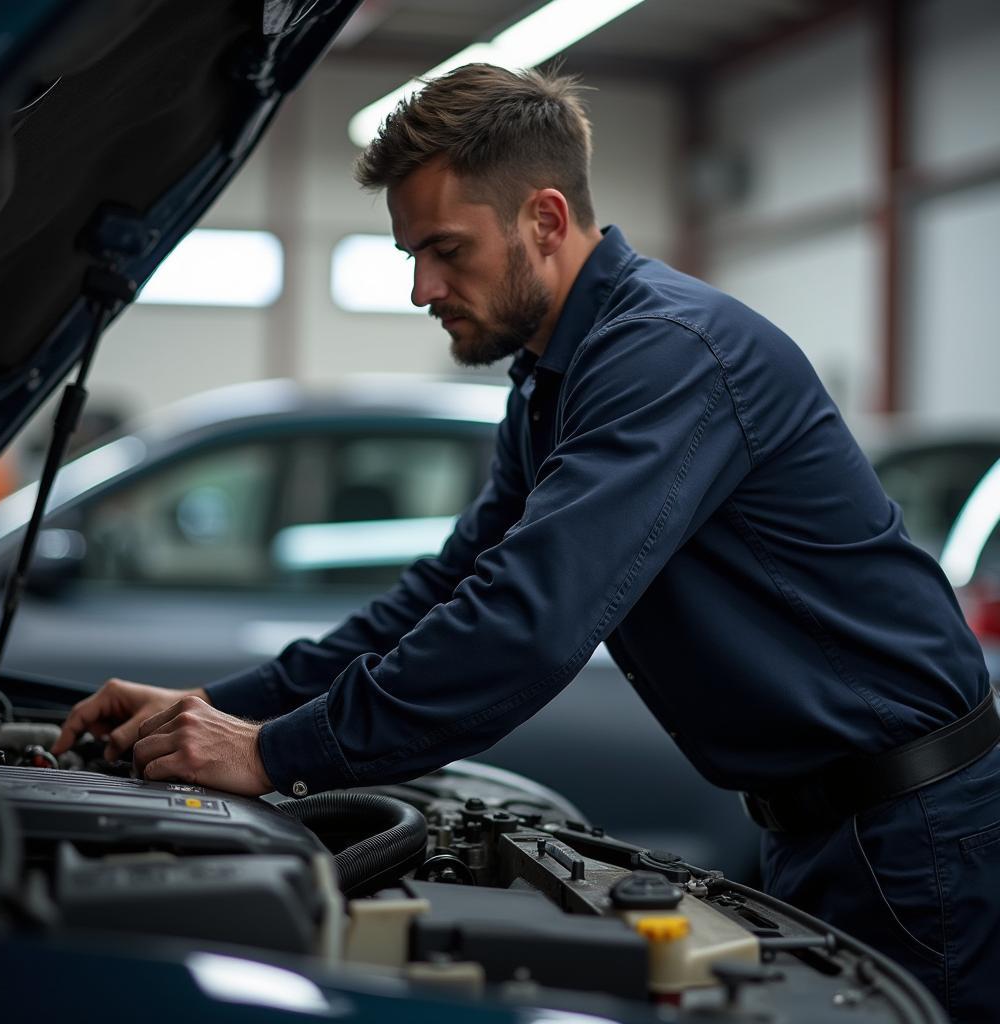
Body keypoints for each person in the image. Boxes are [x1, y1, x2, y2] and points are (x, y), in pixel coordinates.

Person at [53, 64, 997, 1020]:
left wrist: (274, 754)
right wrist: (217, 711)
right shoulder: (556, 377)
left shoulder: (668, 353)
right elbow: (448, 589)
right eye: (409, 254)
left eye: (445, 250)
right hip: (824, 829)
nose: (422, 286)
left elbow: (527, 623)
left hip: (913, 836)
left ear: (545, 219)